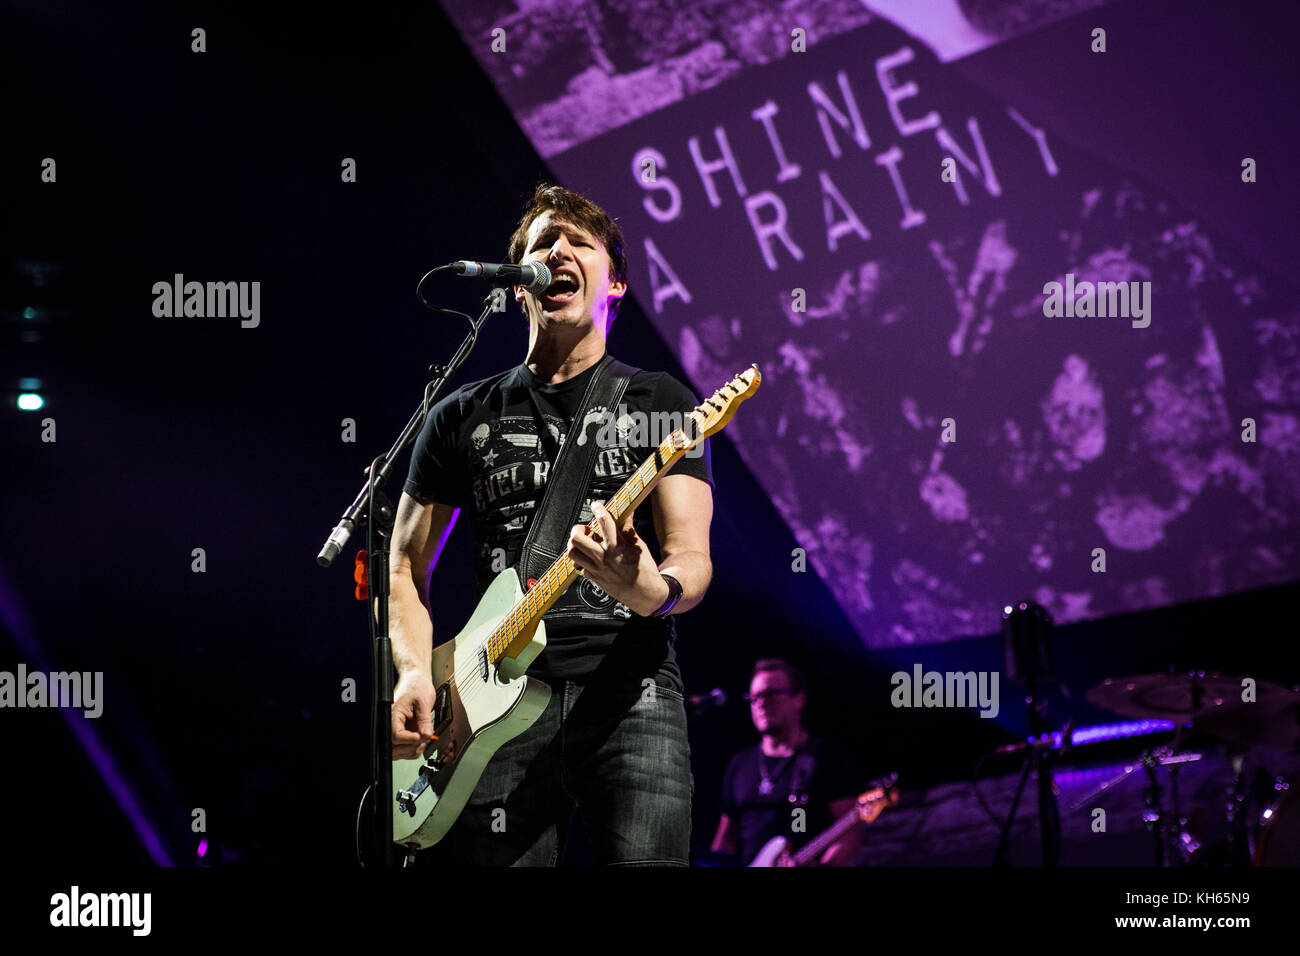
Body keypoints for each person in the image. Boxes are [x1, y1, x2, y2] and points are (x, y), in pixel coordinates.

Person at [389, 183, 714, 866]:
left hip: (631, 692)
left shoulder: (661, 401)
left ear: (616, 281)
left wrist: (648, 586)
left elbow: (691, 555)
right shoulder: (459, 415)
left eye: (580, 244)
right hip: (489, 713)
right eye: (542, 245)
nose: (558, 252)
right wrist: (416, 672)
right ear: (517, 286)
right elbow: (404, 570)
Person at [712, 659, 864, 866]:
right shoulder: (740, 763)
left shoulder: (826, 758)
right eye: (754, 698)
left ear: (799, 699)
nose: (762, 704)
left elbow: (849, 832)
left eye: (772, 694)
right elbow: (727, 837)